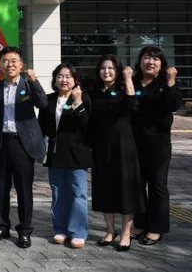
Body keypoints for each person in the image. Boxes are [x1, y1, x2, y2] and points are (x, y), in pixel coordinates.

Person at [0, 46, 48, 249]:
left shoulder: (28, 85)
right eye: (5, 61)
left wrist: (34, 81)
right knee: (1, 188)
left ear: (21, 64)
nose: (9, 64)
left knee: (24, 189)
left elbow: (43, 103)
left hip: (22, 144)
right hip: (1, 143)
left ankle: (24, 231)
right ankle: (2, 227)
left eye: (14, 61)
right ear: (0, 64)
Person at [89, 54, 142, 252]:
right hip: (102, 148)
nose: (106, 71)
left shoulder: (123, 89)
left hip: (123, 146)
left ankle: (126, 233)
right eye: (103, 68)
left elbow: (133, 106)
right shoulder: (94, 92)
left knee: (126, 190)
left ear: (118, 70)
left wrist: (128, 79)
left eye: (111, 68)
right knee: (104, 189)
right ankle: (110, 230)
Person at [132, 46, 182, 245]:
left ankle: (156, 228)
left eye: (155, 59)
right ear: (140, 61)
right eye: (146, 57)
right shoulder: (133, 81)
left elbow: (173, 105)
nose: (150, 62)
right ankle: (140, 224)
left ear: (162, 64)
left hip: (158, 144)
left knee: (157, 186)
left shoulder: (165, 83)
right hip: (134, 142)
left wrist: (171, 81)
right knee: (137, 185)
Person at [38, 63, 91, 249]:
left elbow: (86, 125)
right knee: (58, 193)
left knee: (78, 192)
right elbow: (42, 126)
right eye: (60, 76)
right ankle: (60, 229)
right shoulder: (49, 100)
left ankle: (77, 232)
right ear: (55, 79)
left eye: (68, 76)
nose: (64, 80)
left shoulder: (84, 98)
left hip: (76, 154)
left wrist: (78, 102)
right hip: (55, 154)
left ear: (75, 80)